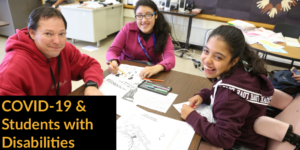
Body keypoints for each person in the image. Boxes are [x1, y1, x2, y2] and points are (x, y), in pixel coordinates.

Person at [180, 25, 274, 150]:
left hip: (242, 145)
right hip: (250, 138)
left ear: (234, 60)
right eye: (206, 51)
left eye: (218, 57)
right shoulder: (243, 70)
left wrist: (192, 116)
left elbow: (223, 139)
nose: (207, 60)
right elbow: (223, 96)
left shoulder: (230, 96)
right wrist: (203, 96)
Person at [0, 6, 103, 96]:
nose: (57, 42)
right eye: (48, 34)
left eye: (61, 33)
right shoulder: (12, 67)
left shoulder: (65, 49)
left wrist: (91, 85)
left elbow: (90, 65)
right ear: (32, 33)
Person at [106, 0, 175, 78]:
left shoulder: (163, 32)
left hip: (151, 71)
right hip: (126, 71)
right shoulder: (127, 29)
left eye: (148, 15)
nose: (144, 20)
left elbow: (171, 59)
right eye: (139, 15)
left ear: (156, 15)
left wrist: (156, 68)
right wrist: (113, 61)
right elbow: (112, 51)